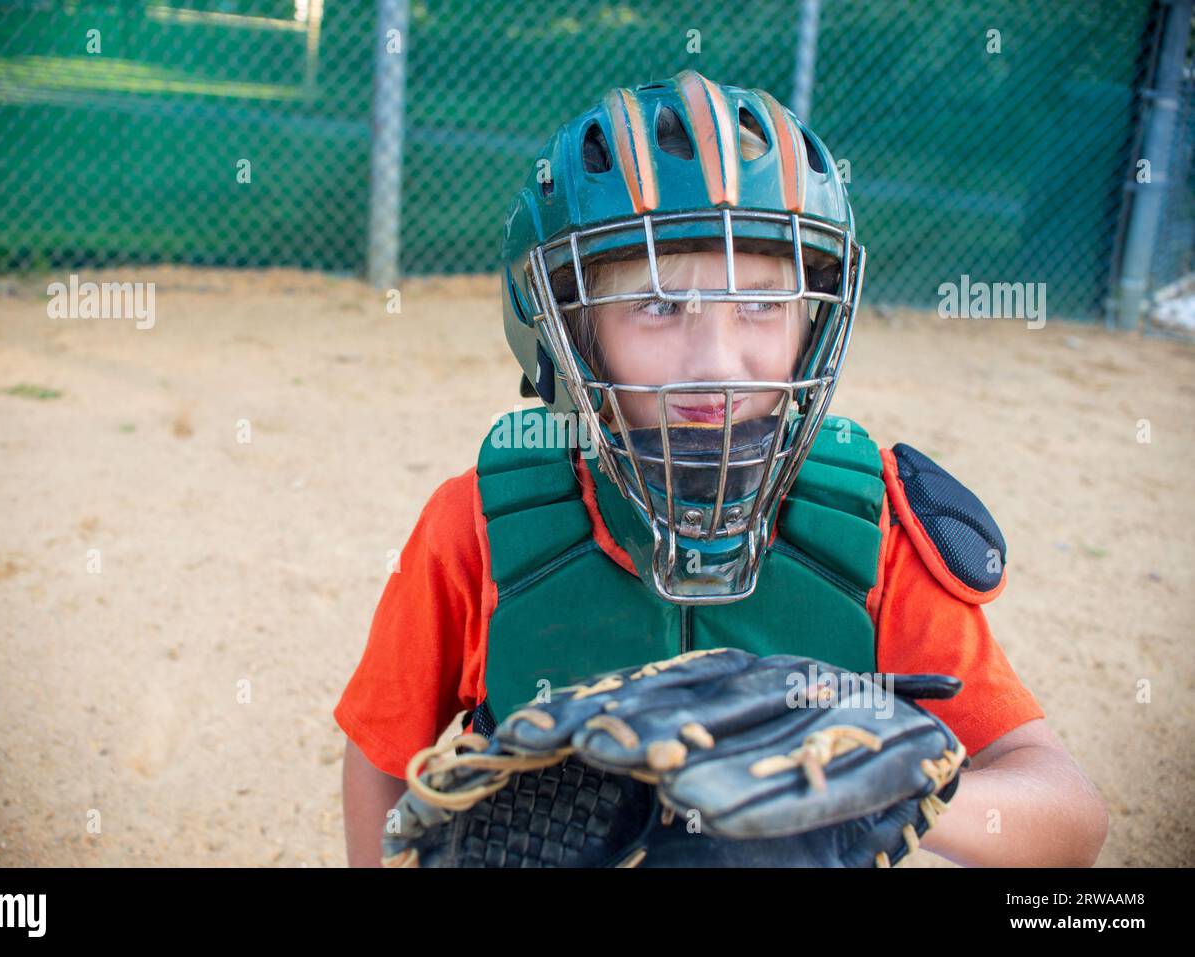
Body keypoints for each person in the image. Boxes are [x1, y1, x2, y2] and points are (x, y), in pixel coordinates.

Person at [335, 70, 1108, 867]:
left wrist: (907, 791)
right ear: (569, 328)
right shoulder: (482, 525)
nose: (717, 364)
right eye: (661, 305)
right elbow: (381, 758)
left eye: (762, 305)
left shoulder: (872, 532)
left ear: (815, 318)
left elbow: (1071, 818)